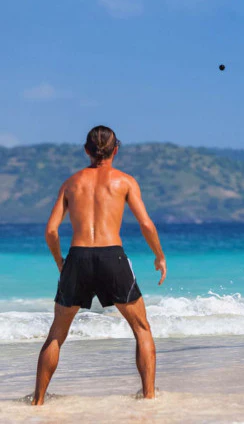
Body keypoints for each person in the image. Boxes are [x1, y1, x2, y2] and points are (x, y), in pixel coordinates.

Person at [32, 126, 167, 405]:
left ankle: (38, 402)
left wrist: (60, 261)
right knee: (141, 329)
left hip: (77, 257)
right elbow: (146, 224)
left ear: (86, 150)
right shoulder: (125, 181)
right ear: (116, 149)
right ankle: (149, 398)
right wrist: (159, 256)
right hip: (111, 257)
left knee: (56, 334)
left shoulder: (71, 183)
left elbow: (51, 231)